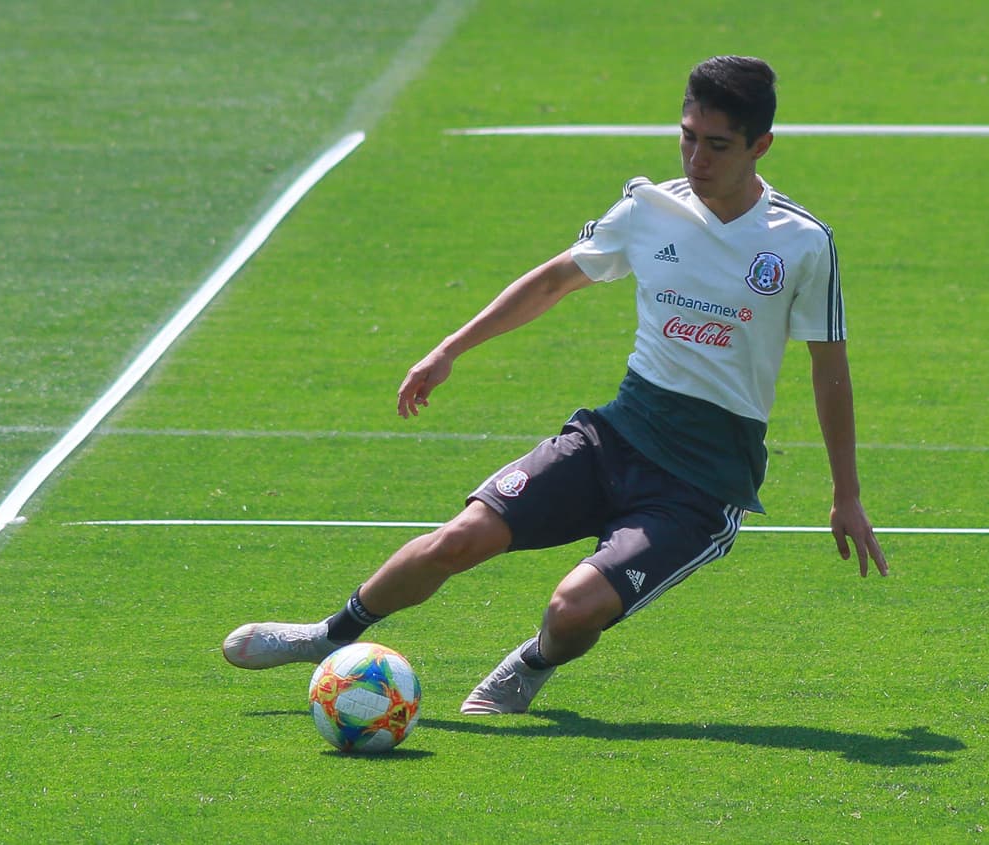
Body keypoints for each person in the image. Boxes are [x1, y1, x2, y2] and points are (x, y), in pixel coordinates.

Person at [222, 55, 888, 714]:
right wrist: (450, 349)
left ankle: (533, 661)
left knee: (572, 610)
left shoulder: (801, 243)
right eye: (687, 136)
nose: (696, 158)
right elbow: (553, 281)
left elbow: (830, 370)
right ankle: (329, 635)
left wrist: (847, 493)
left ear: (760, 146)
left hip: (702, 483)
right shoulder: (650, 209)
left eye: (717, 145)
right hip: (613, 438)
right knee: (459, 538)